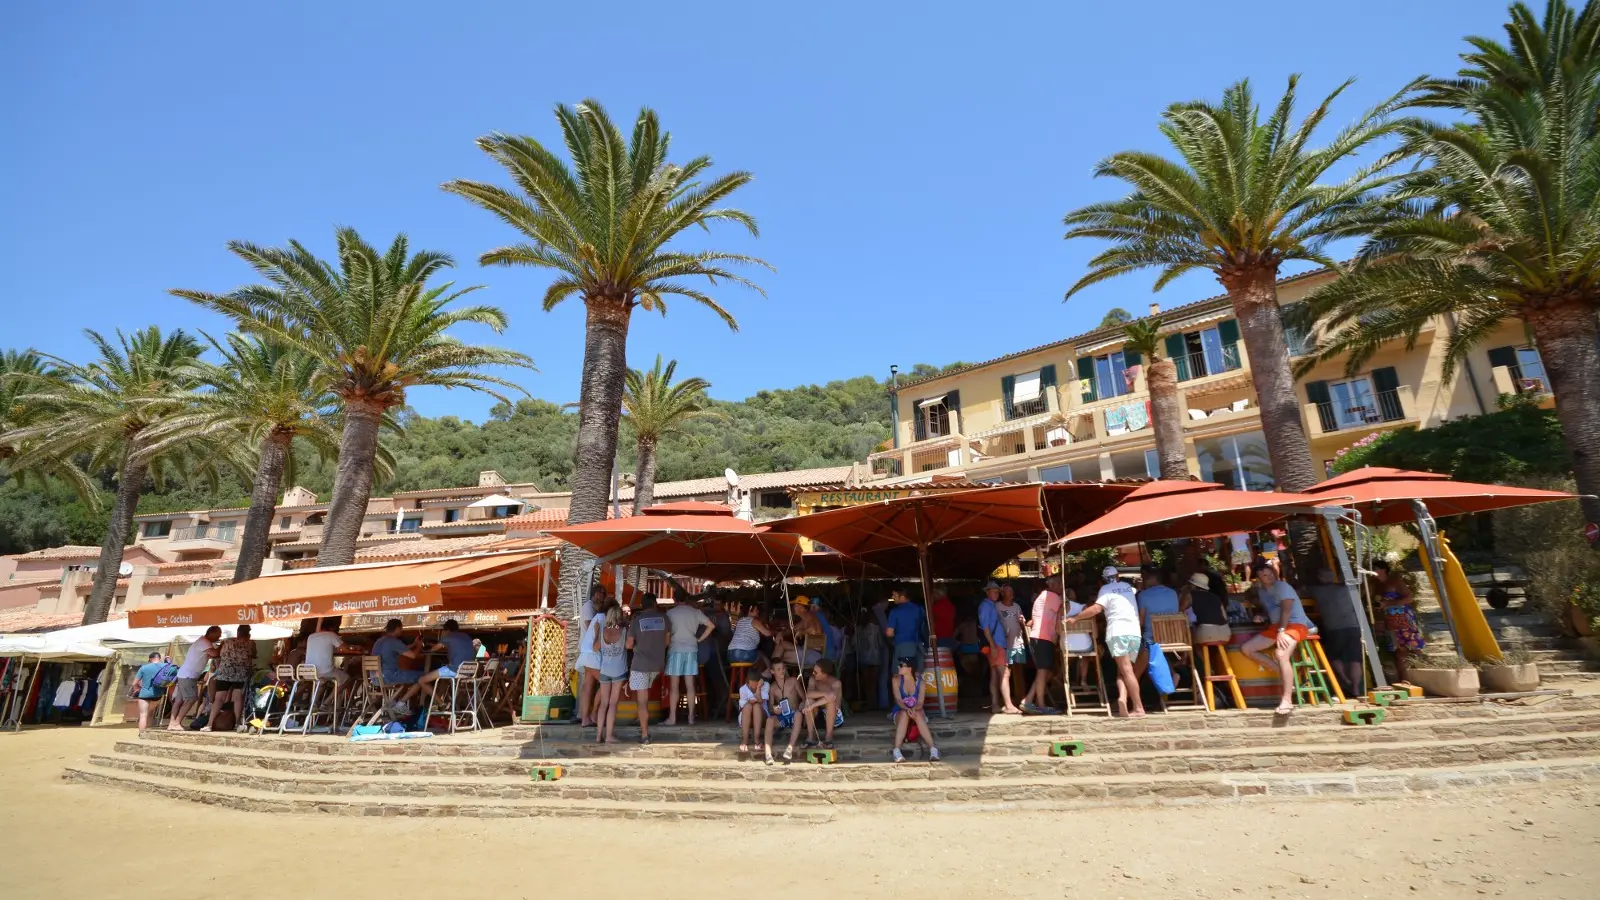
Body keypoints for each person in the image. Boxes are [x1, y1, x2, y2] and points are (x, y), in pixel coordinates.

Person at [1067, 567, 1145, 718]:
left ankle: (1138, 708)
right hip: (1134, 632)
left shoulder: (1105, 589)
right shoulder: (1128, 587)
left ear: (1102, 579)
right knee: (1124, 671)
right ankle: (1122, 698)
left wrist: (1076, 618)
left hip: (1118, 631)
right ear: (1118, 576)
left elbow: (1096, 609)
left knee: (1126, 670)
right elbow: (1136, 591)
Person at [1240, 563, 1312, 715]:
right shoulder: (1261, 592)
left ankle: (1287, 700)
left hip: (1295, 625)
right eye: (1265, 575)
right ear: (1258, 579)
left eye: (1270, 572)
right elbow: (1271, 611)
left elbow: (1286, 611)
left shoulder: (1282, 586)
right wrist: (1262, 616)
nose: (1269, 576)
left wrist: (1281, 631)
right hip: (1276, 626)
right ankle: (1284, 675)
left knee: (1281, 654)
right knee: (1247, 649)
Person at [1308, 568, 1364, 697]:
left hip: (1334, 629)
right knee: (1355, 659)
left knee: (1334, 656)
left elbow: (1301, 592)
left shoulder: (1317, 591)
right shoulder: (1347, 589)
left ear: (1320, 578)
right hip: (1353, 626)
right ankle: (1356, 688)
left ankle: (1344, 678)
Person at [626, 593, 669, 745]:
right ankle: (642, 722)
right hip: (657, 664)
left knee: (642, 701)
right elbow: (667, 641)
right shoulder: (664, 618)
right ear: (655, 603)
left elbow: (629, 645)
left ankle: (644, 735)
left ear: (642, 605)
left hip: (640, 665)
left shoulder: (637, 621)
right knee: (646, 698)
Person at [664, 598, 714, 725]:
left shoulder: (670, 613)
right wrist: (699, 639)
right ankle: (691, 717)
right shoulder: (695, 612)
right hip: (691, 649)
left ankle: (672, 718)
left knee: (674, 686)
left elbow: (666, 633)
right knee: (690, 685)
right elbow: (711, 625)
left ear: (675, 599)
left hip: (675, 649)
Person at [1374, 560, 1422, 684]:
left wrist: (1388, 603)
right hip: (1389, 621)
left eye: (1375, 569)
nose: (1373, 572)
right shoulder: (1375, 584)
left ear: (1382, 570)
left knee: (1413, 646)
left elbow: (1409, 598)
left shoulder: (1395, 582)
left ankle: (1423, 673)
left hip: (1403, 618)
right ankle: (1405, 679)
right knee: (1399, 650)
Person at [1022, 574, 1064, 715]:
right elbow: (1065, 609)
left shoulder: (1046, 596)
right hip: (1042, 637)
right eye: (1059, 584)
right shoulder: (1051, 596)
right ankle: (1041, 705)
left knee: (1046, 671)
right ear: (1052, 585)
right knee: (1042, 671)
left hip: (1042, 637)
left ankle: (1028, 700)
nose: (1061, 586)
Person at [977, 581, 1020, 714]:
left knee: (995, 675)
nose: (996, 593)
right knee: (1004, 674)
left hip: (997, 645)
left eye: (997, 591)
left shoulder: (992, 605)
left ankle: (995, 705)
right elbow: (985, 628)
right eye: (994, 591)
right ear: (987, 592)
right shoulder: (986, 606)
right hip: (996, 645)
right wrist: (993, 646)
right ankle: (1008, 705)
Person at [168, 625, 220, 731]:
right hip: (188, 676)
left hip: (184, 674)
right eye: (218, 635)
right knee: (191, 699)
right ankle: (176, 722)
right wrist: (223, 645)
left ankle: (172, 723)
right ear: (211, 633)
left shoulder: (202, 642)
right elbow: (215, 653)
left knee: (179, 700)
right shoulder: (204, 642)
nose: (219, 637)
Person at [204, 624, 254, 733]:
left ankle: (209, 724)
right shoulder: (251, 643)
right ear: (248, 633)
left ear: (238, 632)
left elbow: (219, 655)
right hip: (241, 673)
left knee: (219, 698)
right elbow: (253, 655)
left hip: (225, 672)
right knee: (237, 698)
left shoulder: (226, 641)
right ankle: (236, 723)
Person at [890, 657, 940, 763]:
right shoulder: (896, 679)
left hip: (917, 711)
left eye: (901, 665)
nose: (898, 667)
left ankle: (933, 749)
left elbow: (920, 702)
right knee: (904, 714)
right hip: (901, 711)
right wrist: (907, 709)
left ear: (910, 668)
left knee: (917, 713)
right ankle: (896, 750)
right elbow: (898, 700)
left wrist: (913, 709)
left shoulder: (920, 683)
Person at [593, 606, 628, 744]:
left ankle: (598, 736)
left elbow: (595, 648)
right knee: (613, 704)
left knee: (603, 704)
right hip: (618, 670)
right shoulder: (624, 631)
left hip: (604, 670)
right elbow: (629, 646)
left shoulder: (603, 632)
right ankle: (608, 736)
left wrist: (597, 634)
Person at [371, 618, 424, 709]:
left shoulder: (379, 641)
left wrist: (414, 644)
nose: (402, 630)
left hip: (374, 678)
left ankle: (393, 702)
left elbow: (400, 649)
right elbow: (413, 656)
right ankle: (401, 703)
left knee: (406, 675)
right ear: (397, 628)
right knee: (423, 677)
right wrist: (419, 646)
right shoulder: (394, 641)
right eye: (401, 628)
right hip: (389, 676)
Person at [415, 619, 473, 700]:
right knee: (443, 680)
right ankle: (443, 702)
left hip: (454, 670)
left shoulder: (448, 637)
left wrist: (426, 648)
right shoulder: (467, 636)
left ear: (447, 629)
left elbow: (433, 649)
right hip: (470, 671)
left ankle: (441, 704)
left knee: (421, 680)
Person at [762, 660, 805, 763]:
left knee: (798, 714)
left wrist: (802, 705)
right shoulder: (772, 687)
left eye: (783, 669)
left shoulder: (793, 681)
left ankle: (789, 748)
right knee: (769, 720)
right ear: (772, 671)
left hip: (794, 715)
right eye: (778, 669)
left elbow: (804, 698)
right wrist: (775, 709)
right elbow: (770, 707)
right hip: (782, 717)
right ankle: (768, 753)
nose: (782, 671)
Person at [574, 596, 608, 727]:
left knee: (587, 686)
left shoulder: (597, 617)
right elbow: (599, 643)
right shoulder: (604, 619)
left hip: (585, 654)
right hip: (593, 656)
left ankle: (585, 719)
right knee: (607, 682)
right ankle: (594, 714)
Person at [798, 659, 844, 748]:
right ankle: (810, 737)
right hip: (817, 716)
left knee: (830, 702)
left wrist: (812, 706)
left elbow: (831, 698)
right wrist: (824, 694)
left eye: (816, 672)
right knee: (809, 700)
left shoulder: (836, 683)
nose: (813, 673)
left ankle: (828, 737)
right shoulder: (813, 679)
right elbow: (808, 694)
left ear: (824, 674)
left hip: (834, 718)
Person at [883, 587, 926, 675]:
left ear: (902, 597)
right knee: (918, 675)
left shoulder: (895, 611)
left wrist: (891, 642)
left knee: (899, 676)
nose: (892, 597)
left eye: (894, 595)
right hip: (919, 646)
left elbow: (889, 632)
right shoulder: (919, 608)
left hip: (902, 645)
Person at [1183, 572, 1232, 645]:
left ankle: (1198, 656)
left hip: (1206, 633)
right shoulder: (1216, 597)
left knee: (1191, 633)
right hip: (1225, 633)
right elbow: (1224, 616)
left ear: (1194, 585)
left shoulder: (1189, 595)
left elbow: (1179, 611)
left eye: (1190, 584)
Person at [853, 606, 883, 710]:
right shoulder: (876, 628)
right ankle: (874, 703)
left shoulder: (857, 629)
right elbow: (881, 643)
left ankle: (870, 703)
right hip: (875, 657)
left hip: (863, 658)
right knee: (874, 682)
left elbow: (854, 644)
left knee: (866, 682)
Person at [132, 651, 167, 731]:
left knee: (143, 715)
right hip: (158, 695)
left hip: (145, 694)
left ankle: (142, 734)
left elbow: (134, 683)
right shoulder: (165, 667)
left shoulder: (144, 668)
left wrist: (137, 688)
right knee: (151, 714)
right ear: (159, 658)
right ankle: (149, 731)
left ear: (150, 659)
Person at [737, 667, 767, 756]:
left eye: (756, 682)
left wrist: (758, 689)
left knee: (757, 705)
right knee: (748, 706)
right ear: (747, 681)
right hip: (747, 717)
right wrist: (749, 702)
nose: (754, 684)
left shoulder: (765, 686)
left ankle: (757, 740)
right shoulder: (743, 689)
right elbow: (742, 707)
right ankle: (745, 740)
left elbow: (760, 701)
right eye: (751, 682)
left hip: (762, 717)